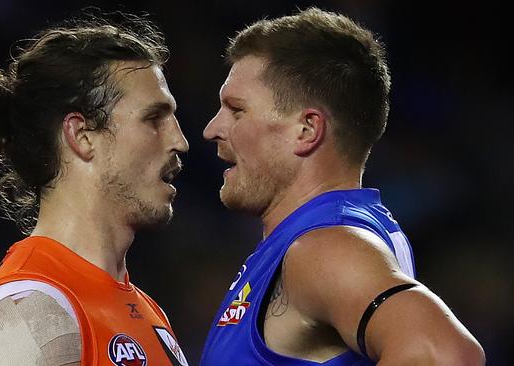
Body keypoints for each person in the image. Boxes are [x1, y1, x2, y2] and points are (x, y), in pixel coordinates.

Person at [201, 7, 485, 366]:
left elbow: (444, 353)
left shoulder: (325, 247)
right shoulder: (340, 232)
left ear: (306, 130)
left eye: (236, 110)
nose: (212, 128)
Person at [0, 15, 190, 366]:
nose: (179, 141)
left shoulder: (149, 314)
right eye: (154, 119)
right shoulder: (30, 314)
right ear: (81, 136)